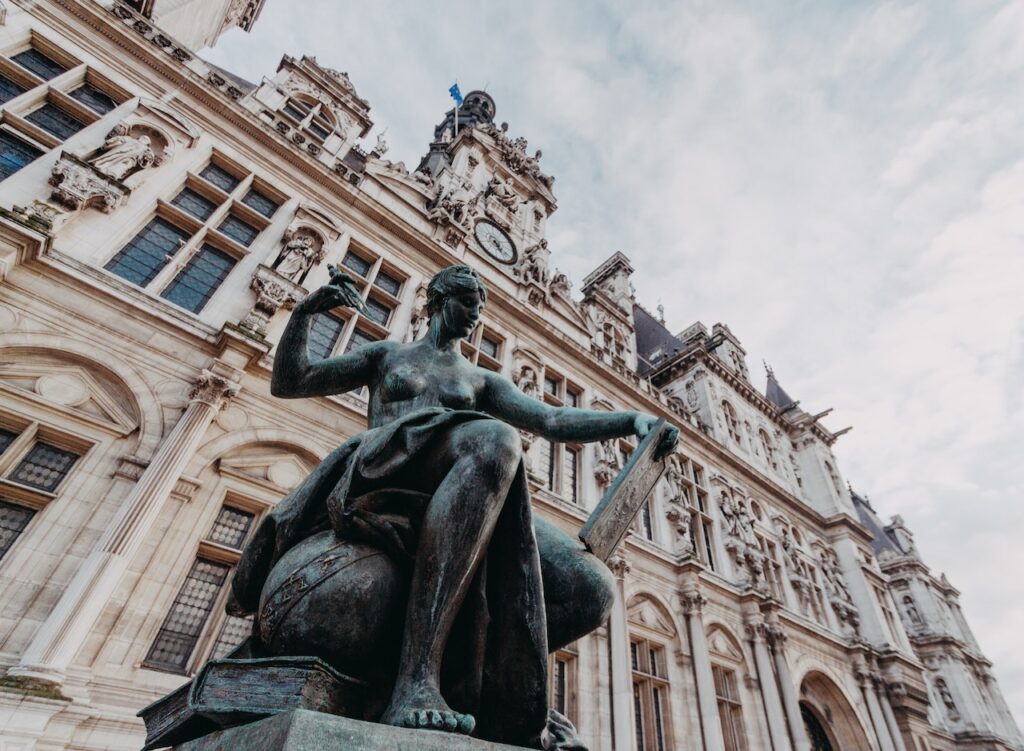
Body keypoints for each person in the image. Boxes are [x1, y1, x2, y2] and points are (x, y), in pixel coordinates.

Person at [228, 264, 677, 747]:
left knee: (591, 587)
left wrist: (632, 421)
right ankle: (414, 680)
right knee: (497, 439)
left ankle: (486, 688)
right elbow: (291, 381)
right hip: (389, 471)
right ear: (439, 301)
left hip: (462, 487)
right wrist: (306, 313)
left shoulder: (480, 381)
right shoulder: (388, 355)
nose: (478, 312)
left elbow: (552, 418)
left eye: (481, 304)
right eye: (469, 301)